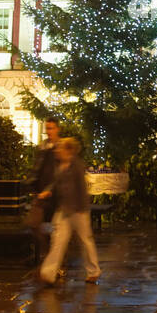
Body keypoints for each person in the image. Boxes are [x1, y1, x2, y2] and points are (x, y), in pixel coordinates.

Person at [39, 138, 102, 285]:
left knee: (85, 241)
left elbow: (82, 189)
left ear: (68, 150)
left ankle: (93, 271)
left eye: (60, 148)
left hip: (78, 210)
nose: (57, 150)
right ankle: (48, 274)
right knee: (58, 241)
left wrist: (82, 209)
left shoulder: (77, 166)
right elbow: (56, 183)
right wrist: (48, 191)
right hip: (64, 209)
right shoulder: (59, 165)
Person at [27, 118, 61, 261]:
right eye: (47, 128)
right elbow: (36, 168)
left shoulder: (61, 148)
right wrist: (32, 185)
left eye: (51, 128)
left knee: (59, 230)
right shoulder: (43, 147)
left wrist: (51, 189)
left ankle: (58, 260)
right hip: (41, 194)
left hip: (56, 195)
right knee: (34, 223)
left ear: (58, 129)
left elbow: (61, 173)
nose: (49, 131)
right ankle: (48, 255)